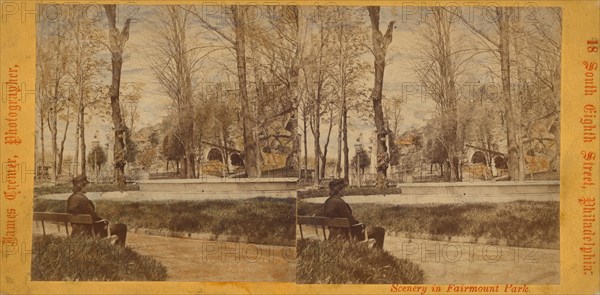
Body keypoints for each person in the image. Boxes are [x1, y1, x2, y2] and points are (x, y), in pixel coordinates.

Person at [66, 174, 128, 246]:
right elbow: (94, 217)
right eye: (86, 186)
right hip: (90, 232)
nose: (88, 187)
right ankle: (119, 249)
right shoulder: (83, 200)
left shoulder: (70, 198)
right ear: (81, 186)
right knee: (122, 227)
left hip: (77, 231)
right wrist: (105, 221)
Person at [323, 179, 385, 249]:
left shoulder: (327, 202)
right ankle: (376, 253)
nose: (345, 190)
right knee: (380, 230)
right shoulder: (340, 203)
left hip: (333, 234)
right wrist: (361, 225)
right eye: (343, 189)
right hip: (347, 234)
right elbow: (351, 221)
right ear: (338, 190)